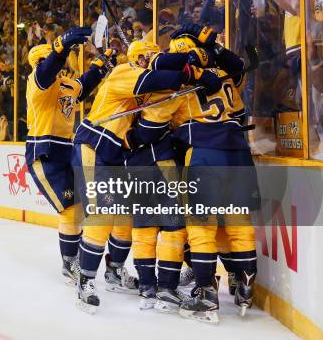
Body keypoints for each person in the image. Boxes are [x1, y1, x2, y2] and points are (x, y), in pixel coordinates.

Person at [72, 39, 221, 313]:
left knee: (122, 218)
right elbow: (159, 76)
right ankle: (85, 281)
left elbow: (162, 87)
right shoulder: (124, 72)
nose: (151, 60)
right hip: (95, 143)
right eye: (148, 56)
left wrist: (193, 76)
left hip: (115, 153)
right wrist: (192, 73)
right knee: (102, 215)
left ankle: (113, 271)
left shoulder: (143, 83)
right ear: (139, 58)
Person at [166, 24, 259, 323]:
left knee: (201, 225)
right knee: (238, 220)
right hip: (238, 153)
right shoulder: (225, 76)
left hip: (205, 152)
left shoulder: (180, 84)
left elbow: (162, 122)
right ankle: (245, 286)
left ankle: (206, 295)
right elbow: (239, 68)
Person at [26, 26, 116, 287]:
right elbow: (45, 71)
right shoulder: (37, 82)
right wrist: (60, 47)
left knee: (82, 208)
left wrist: (100, 65)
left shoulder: (65, 84)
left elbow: (83, 84)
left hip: (67, 149)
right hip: (43, 152)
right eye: (45, 60)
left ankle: (76, 260)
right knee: (71, 210)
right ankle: (69, 263)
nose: (53, 65)